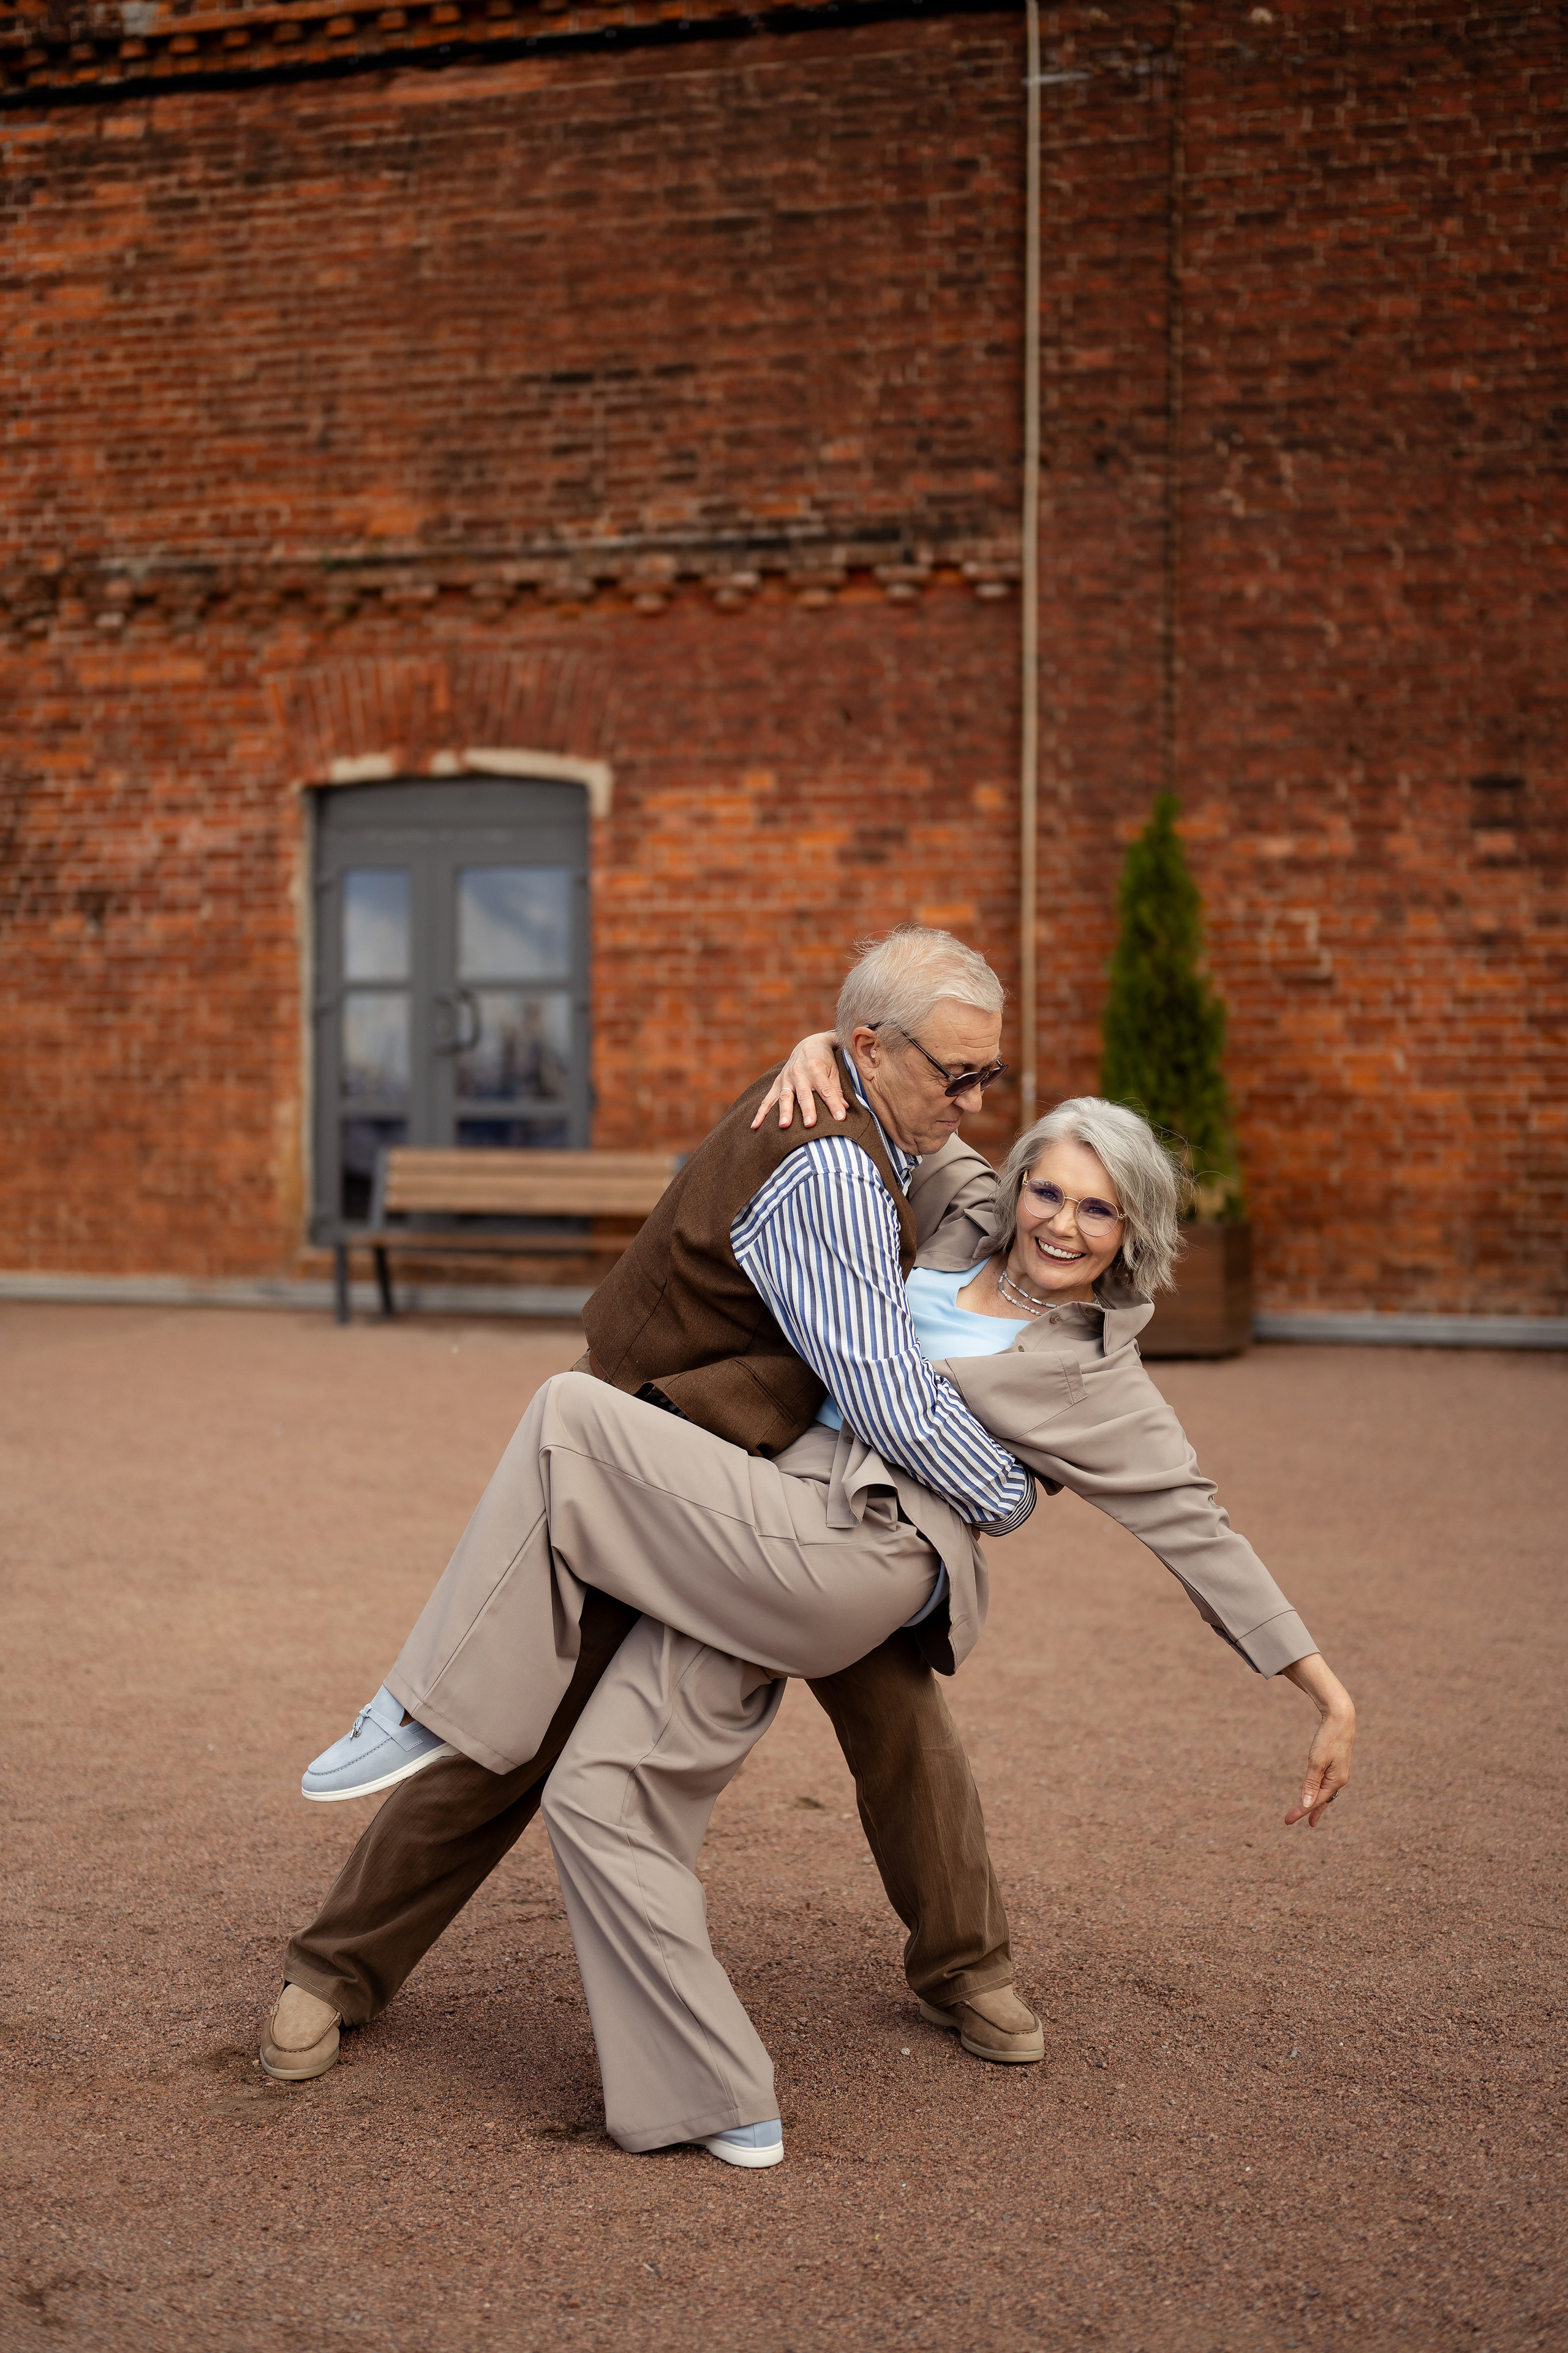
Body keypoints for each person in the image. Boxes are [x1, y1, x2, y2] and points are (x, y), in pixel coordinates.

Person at [262, 930, 1050, 2134]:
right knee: (517, 1726)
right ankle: (334, 1968)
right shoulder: (825, 1154)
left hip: (785, 1489)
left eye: (986, 1074)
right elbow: (889, 1393)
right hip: (653, 1463)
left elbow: (970, 1188)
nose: (974, 1100)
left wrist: (842, 1058)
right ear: (871, 1049)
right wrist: (1007, 1492)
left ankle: (966, 1965)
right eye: (958, 1074)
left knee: (901, 1714)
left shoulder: (889, 1119)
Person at [531, 1073, 1356, 2164]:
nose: (1063, 1224)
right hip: (755, 1500)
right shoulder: (964, 1212)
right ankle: (760, 2061)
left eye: (1099, 1210)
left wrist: (1325, 1691)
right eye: (1049, 1192)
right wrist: (822, 1044)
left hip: (870, 1547)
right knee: (616, 1783)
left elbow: (1200, 1531)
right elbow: (898, 1096)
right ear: (1020, 1186)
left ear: (1132, 1231)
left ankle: (960, 1972)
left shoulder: (1099, 1380)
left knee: (891, 1733)